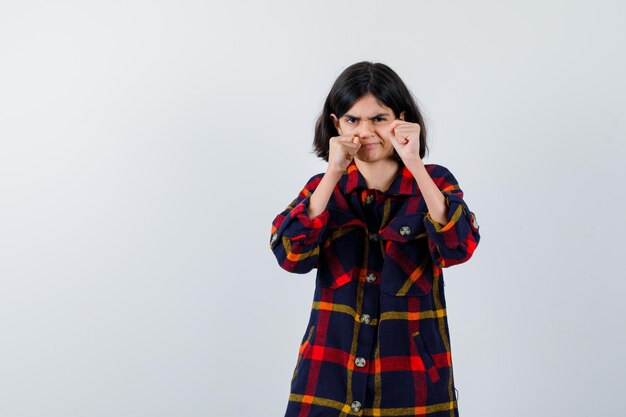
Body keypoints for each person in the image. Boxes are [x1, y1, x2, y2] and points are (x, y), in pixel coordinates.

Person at [269, 61, 481, 417]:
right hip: (328, 373)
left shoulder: (434, 183)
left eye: (379, 119)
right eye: (353, 120)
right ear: (337, 124)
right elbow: (290, 254)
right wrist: (333, 172)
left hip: (411, 380)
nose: (365, 131)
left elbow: (458, 247)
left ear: (401, 119)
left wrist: (413, 163)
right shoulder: (324, 191)